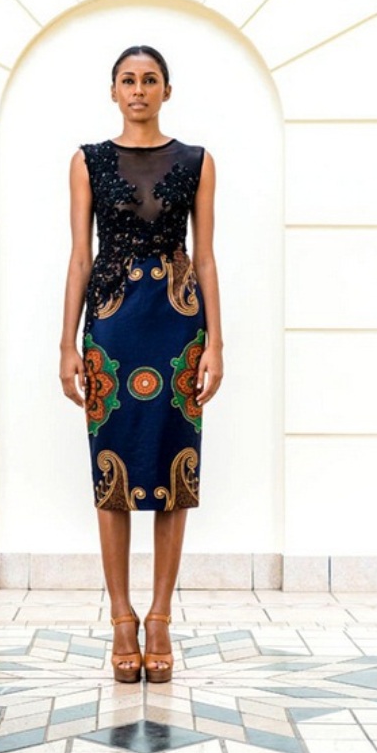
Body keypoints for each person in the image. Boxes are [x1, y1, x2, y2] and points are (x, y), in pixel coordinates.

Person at [59, 45, 223, 684]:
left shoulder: (197, 161)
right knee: (114, 471)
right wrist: (67, 344)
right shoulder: (88, 160)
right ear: (113, 91)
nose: (138, 90)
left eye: (150, 80)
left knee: (174, 470)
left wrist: (215, 343)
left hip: (178, 325)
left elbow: (204, 257)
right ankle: (121, 618)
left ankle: (159, 617)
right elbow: (80, 256)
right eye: (127, 80)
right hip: (112, 325)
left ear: (166, 91)